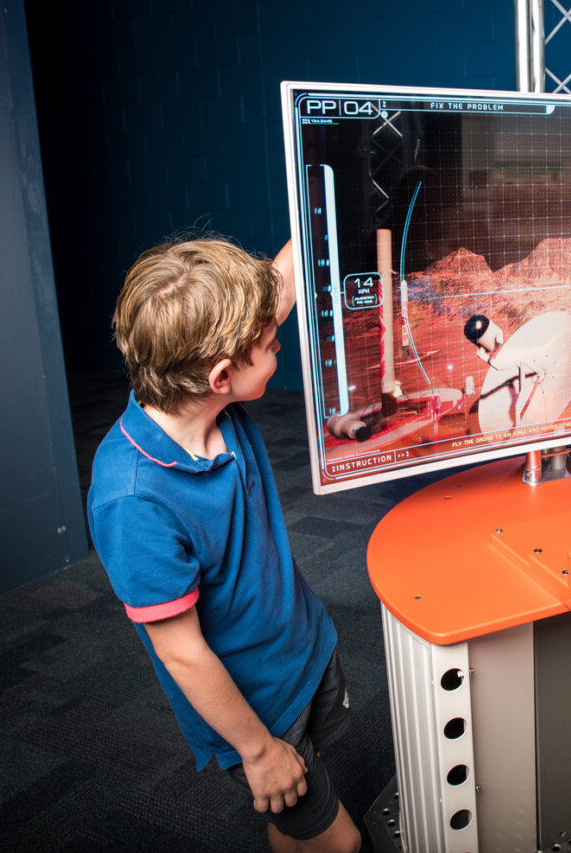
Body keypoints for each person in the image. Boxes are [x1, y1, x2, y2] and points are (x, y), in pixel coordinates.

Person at [87, 236, 362, 853]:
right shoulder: (132, 502)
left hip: (303, 648)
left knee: (297, 816)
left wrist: (330, 171)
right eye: (269, 347)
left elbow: (280, 285)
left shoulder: (204, 393)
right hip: (256, 706)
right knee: (339, 842)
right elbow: (181, 654)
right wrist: (259, 750)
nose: (278, 345)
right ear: (221, 375)